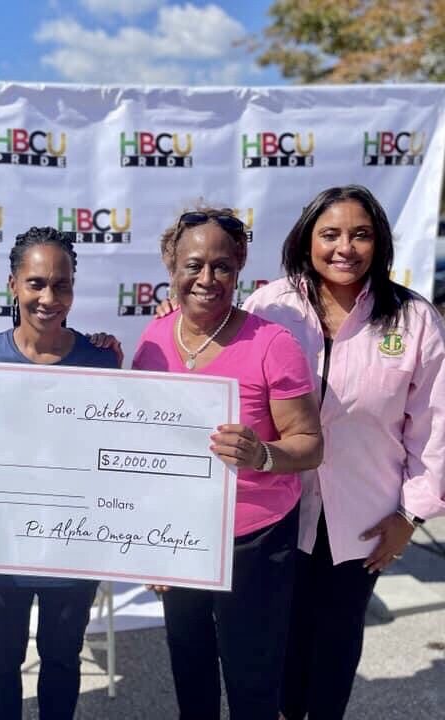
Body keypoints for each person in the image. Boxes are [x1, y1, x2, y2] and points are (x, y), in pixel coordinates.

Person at [240, 185, 445, 719]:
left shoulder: (413, 319)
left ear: (378, 243)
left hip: (364, 513)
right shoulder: (270, 306)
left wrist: (410, 513)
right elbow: (226, 369)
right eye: (330, 234)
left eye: (361, 234)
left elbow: (434, 426)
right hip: (278, 506)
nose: (344, 247)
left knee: (336, 640)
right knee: (279, 635)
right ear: (306, 239)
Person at [132, 208, 323, 720]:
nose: (207, 279)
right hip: (181, 536)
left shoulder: (272, 345)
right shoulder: (151, 343)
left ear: (239, 267)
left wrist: (264, 453)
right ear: (171, 265)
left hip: (255, 540)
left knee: (252, 679)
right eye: (193, 265)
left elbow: (310, 443)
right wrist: (147, 540)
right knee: (190, 670)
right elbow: (142, 448)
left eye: (222, 266)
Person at [0, 226, 119, 720]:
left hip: (72, 550)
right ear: (12, 284)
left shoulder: (102, 362)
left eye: (61, 284)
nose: (49, 297)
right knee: (1, 661)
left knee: (60, 659)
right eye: (35, 283)